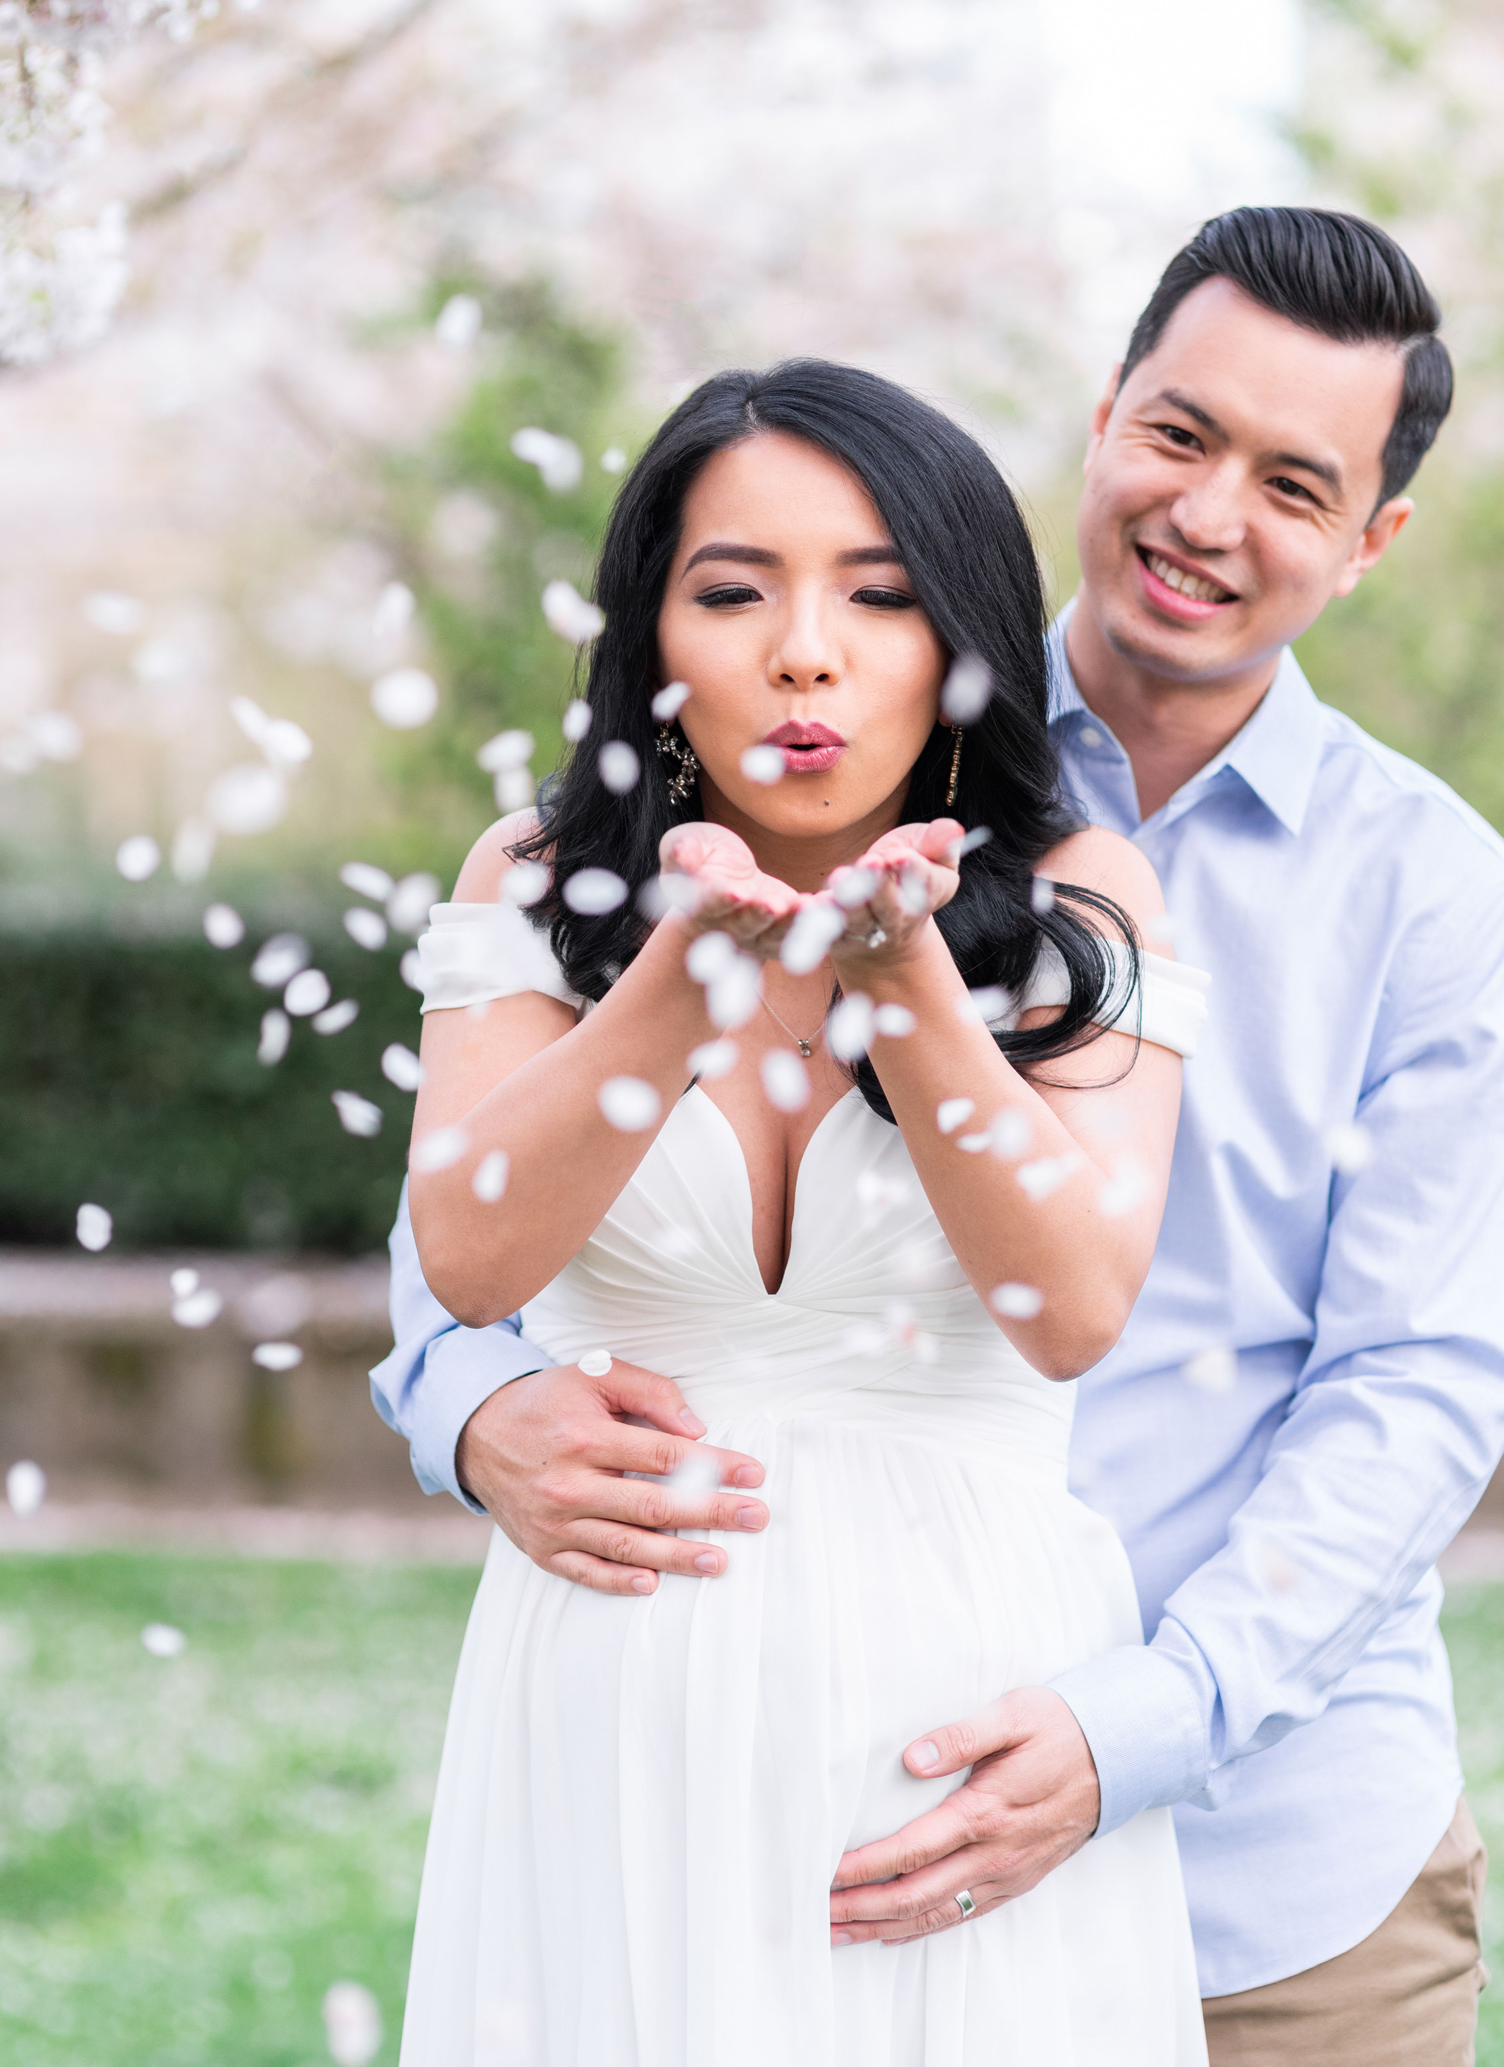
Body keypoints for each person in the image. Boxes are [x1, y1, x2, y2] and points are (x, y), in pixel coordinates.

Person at [375, 207, 1504, 2063]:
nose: (1211, 513)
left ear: (1374, 539)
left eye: (1295, 483)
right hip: (698, 1766)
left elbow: (1420, 1383)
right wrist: (475, 1408)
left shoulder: (1421, 895)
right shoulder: (793, 743)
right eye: (1181, 433)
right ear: (1098, 418)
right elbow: (467, 1240)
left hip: (1270, 1846)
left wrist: (1141, 1719)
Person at [385, 358, 1210, 2064]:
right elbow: (469, 1258)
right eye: (733, 591)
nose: (804, 651)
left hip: (957, 1707)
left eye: (881, 596)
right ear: (652, 639)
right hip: (610, 1709)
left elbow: (1071, 1302)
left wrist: (901, 974)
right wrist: (682, 982)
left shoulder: (1083, 897)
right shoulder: (532, 884)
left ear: (964, 643)